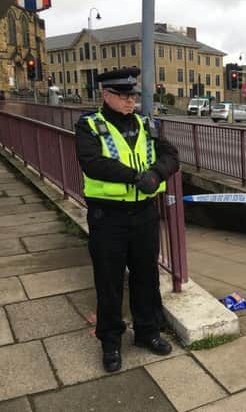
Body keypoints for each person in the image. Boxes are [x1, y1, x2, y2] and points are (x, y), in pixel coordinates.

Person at [75, 67, 179, 373]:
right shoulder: (89, 126)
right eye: (123, 95)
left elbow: (171, 155)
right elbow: (94, 164)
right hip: (108, 216)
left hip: (145, 214)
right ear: (106, 95)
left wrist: (156, 174)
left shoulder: (147, 124)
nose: (130, 100)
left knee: (146, 276)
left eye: (132, 95)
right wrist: (137, 178)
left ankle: (147, 333)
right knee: (109, 281)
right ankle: (110, 342)